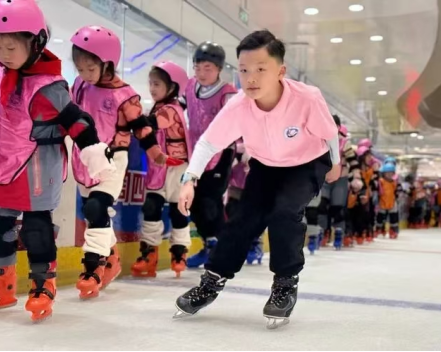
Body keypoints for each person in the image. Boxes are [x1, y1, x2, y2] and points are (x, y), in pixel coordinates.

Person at [0, 0, 114, 323]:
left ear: (35, 43)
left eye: (11, 46)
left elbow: (77, 121)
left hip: (36, 167)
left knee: (36, 229)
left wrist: (92, 153)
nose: (3, 53)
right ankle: (1, 282)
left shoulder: (48, 88)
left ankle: (42, 285)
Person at [174, 30, 342, 329]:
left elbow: (329, 133)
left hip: (307, 162)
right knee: (243, 219)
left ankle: (285, 285)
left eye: (261, 69)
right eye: (244, 70)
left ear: (281, 71)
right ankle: (211, 282)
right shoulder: (239, 105)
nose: (251, 78)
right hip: (265, 165)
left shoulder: (307, 98)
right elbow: (208, 143)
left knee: (285, 212)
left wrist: (337, 163)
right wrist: (190, 179)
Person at [70, 25, 166, 299]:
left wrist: (154, 152)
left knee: (96, 206)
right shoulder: (79, 85)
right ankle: (110, 257)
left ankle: (93, 268)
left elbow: (140, 127)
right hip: (85, 158)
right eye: (79, 69)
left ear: (108, 63)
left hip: (114, 158)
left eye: (90, 68)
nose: (85, 75)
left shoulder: (124, 94)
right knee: (94, 213)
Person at [130, 61, 191, 278]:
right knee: (151, 206)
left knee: (178, 209)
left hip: (177, 167)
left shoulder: (171, 110)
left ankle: (178, 252)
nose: (152, 88)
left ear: (172, 87)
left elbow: (150, 124)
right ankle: (149, 254)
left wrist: (130, 114)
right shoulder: (158, 108)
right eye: (150, 84)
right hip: (158, 167)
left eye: (157, 84)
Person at [184, 41, 238, 269]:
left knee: (210, 200)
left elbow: (237, 122)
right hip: (196, 152)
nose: (202, 73)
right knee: (194, 203)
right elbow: (178, 108)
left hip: (221, 152)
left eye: (208, 68)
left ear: (218, 69)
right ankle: (210, 244)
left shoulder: (228, 93)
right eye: (198, 67)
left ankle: (223, 248)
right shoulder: (189, 86)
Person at [316, 117, 359, 250]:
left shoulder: (344, 143)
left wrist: (356, 178)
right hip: (324, 179)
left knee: (337, 207)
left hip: (340, 178)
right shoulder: (321, 142)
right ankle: (323, 231)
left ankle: (339, 231)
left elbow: (353, 161)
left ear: (339, 127)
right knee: (322, 206)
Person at [376, 162, 403, 239]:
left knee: (393, 217)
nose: (389, 174)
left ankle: (393, 230)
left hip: (392, 201)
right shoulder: (381, 181)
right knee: (380, 217)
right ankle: (379, 229)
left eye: (391, 173)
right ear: (384, 173)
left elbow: (398, 191)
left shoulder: (394, 182)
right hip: (382, 201)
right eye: (387, 173)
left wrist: (398, 192)